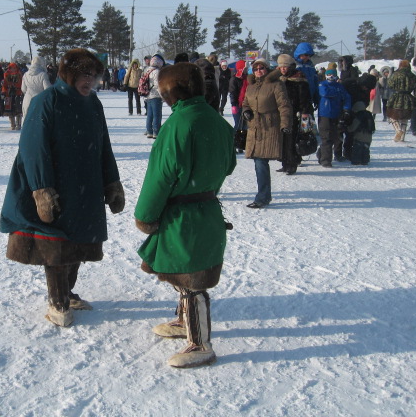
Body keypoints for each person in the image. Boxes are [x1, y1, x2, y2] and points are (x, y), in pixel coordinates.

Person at [0, 48, 125, 327]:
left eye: (93, 75)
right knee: (55, 245)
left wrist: (112, 181)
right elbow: (32, 148)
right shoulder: (47, 101)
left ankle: (67, 293)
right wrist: (42, 189)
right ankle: (57, 302)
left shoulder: (93, 103)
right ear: (69, 74)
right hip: (56, 185)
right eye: (84, 74)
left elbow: (103, 144)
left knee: (79, 242)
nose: (89, 81)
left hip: (86, 184)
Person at [134, 62, 236, 368]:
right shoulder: (217, 122)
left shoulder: (178, 125)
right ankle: (184, 321)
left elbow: (161, 176)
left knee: (192, 280)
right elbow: (229, 165)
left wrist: (145, 214)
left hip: (182, 213)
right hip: (207, 209)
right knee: (185, 270)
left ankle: (200, 343)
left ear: (171, 93)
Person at [241, 59, 292, 208]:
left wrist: (285, 124)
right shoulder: (251, 86)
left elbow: (284, 105)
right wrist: (246, 112)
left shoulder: (276, 84)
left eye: (261, 68)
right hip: (254, 127)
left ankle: (262, 197)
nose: (258, 70)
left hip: (270, 127)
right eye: (255, 68)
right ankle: (264, 195)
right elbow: (245, 103)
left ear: (267, 69)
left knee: (260, 162)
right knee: (258, 161)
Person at [275, 54, 314, 175]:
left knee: (292, 140)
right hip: (282, 113)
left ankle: (292, 164)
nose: (283, 69)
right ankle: (285, 163)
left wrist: (304, 113)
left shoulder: (299, 79)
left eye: (285, 67)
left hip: (296, 114)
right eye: (281, 67)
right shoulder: (280, 79)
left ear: (290, 66)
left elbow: (305, 98)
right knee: (283, 140)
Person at [317, 69, 352, 166]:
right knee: (326, 137)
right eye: (329, 74)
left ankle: (326, 154)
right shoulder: (322, 84)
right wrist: (337, 93)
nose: (331, 76)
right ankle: (326, 160)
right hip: (325, 114)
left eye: (333, 74)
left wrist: (346, 109)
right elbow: (325, 93)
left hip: (337, 114)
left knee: (336, 136)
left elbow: (347, 97)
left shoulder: (340, 86)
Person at [387, 60, 416, 142]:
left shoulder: (395, 74)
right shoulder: (412, 76)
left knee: (392, 116)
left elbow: (390, 84)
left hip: (396, 97)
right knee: (405, 118)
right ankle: (402, 138)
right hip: (408, 98)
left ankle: (398, 130)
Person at [346, 101, 375, 165]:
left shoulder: (359, 115)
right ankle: (365, 160)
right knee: (366, 148)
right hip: (369, 136)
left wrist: (348, 129)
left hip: (359, 135)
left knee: (357, 148)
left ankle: (356, 161)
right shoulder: (369, 114)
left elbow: (354, 126)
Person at [145, 54, 165, 138]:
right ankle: (156, 132)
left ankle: (149, 131)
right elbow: (158, 85)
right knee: (157, 115)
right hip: (156, 96)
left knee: (150, 115)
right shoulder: (157, 71)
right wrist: (163, 95)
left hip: (148, 95)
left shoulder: (147, 70)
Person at [1, 62, 24, 130]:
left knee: (18, 109)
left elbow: (21, 84)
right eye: (11, 68)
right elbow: (4, 85)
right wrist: (4, 92)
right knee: (10, 110)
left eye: (14, 68)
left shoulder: (19, 74)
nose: (13, 69)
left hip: (18, 93)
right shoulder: (6, 74)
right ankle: (12, 124)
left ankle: (18, 124)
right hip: (9, 94)